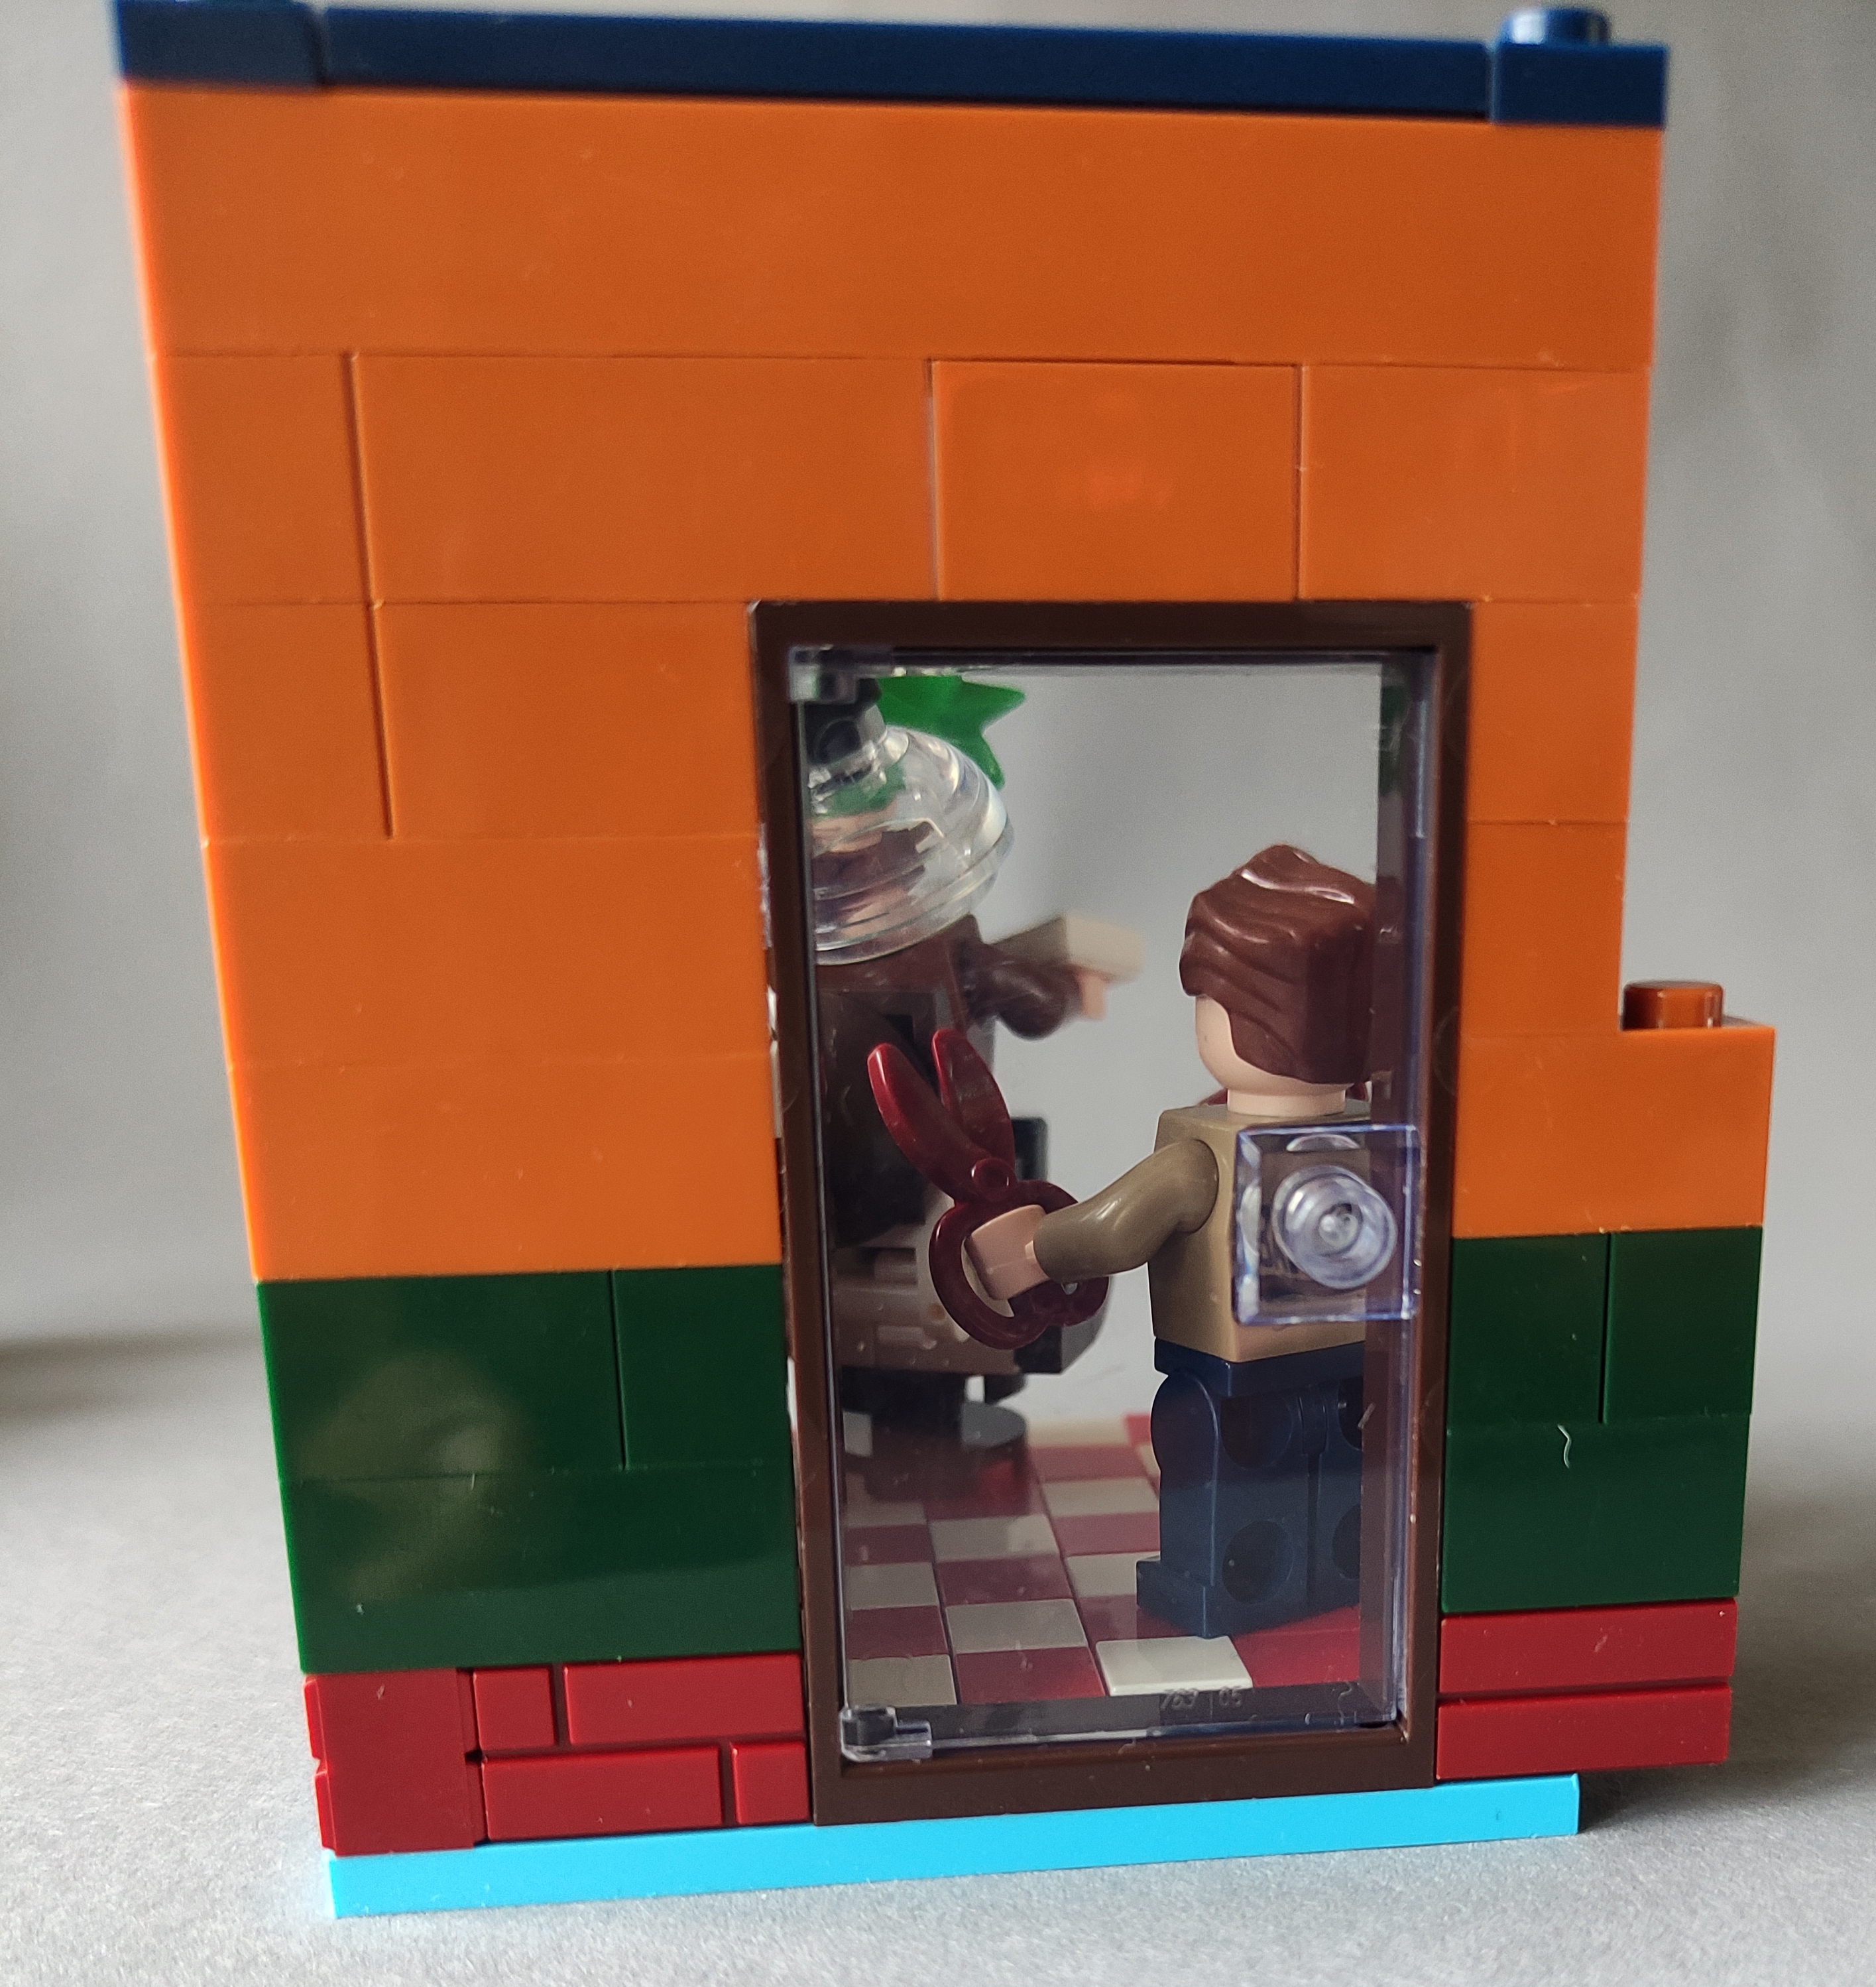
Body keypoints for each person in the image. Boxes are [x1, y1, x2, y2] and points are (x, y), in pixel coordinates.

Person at [967, 844, 1381, 1639]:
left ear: (1238, 1017)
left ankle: (1233, 1588)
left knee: (1227, 1477)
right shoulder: (1377, 1138)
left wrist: (1031, 1251)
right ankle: (1339, 1572)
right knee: (1341, 1479)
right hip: (1349, 1365)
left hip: (1231, 1373)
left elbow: (1113, 1231)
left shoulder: (1202, 1157)